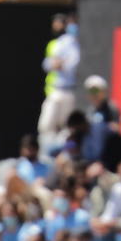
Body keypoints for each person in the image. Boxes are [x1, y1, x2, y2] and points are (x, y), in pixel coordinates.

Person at [39, 14, 80, 150]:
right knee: (46, 124)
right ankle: (46, 151)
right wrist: (55, 63)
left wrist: (62, 64)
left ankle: (63, 151)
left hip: (68, 90)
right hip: (55, 90)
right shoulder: (56, 43)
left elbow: (73, 64)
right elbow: (47, 64)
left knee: (66, 126)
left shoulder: (73, 42)